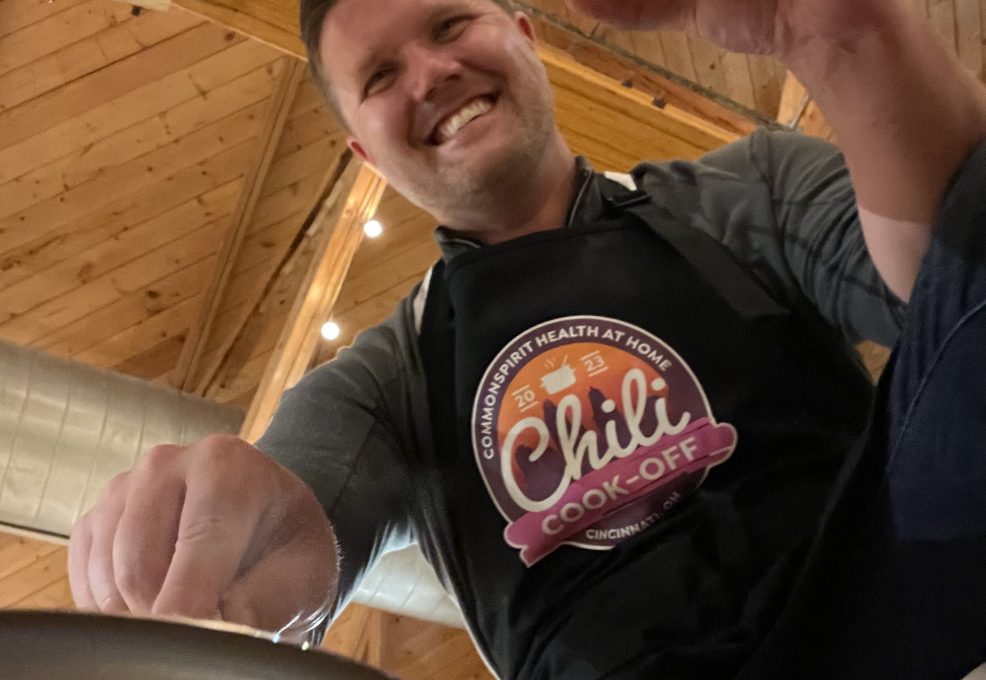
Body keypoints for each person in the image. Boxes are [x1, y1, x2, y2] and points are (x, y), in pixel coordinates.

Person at [67, 0, 986, 677]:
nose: (429, 75)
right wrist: (239, 544)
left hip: (896, 615)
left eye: (449, 25)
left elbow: (950, 290)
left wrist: (846, 33)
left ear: (527, 34)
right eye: (380, 78)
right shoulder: (380, 384)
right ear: (363, 152)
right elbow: (300, 519)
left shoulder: (751, 189)